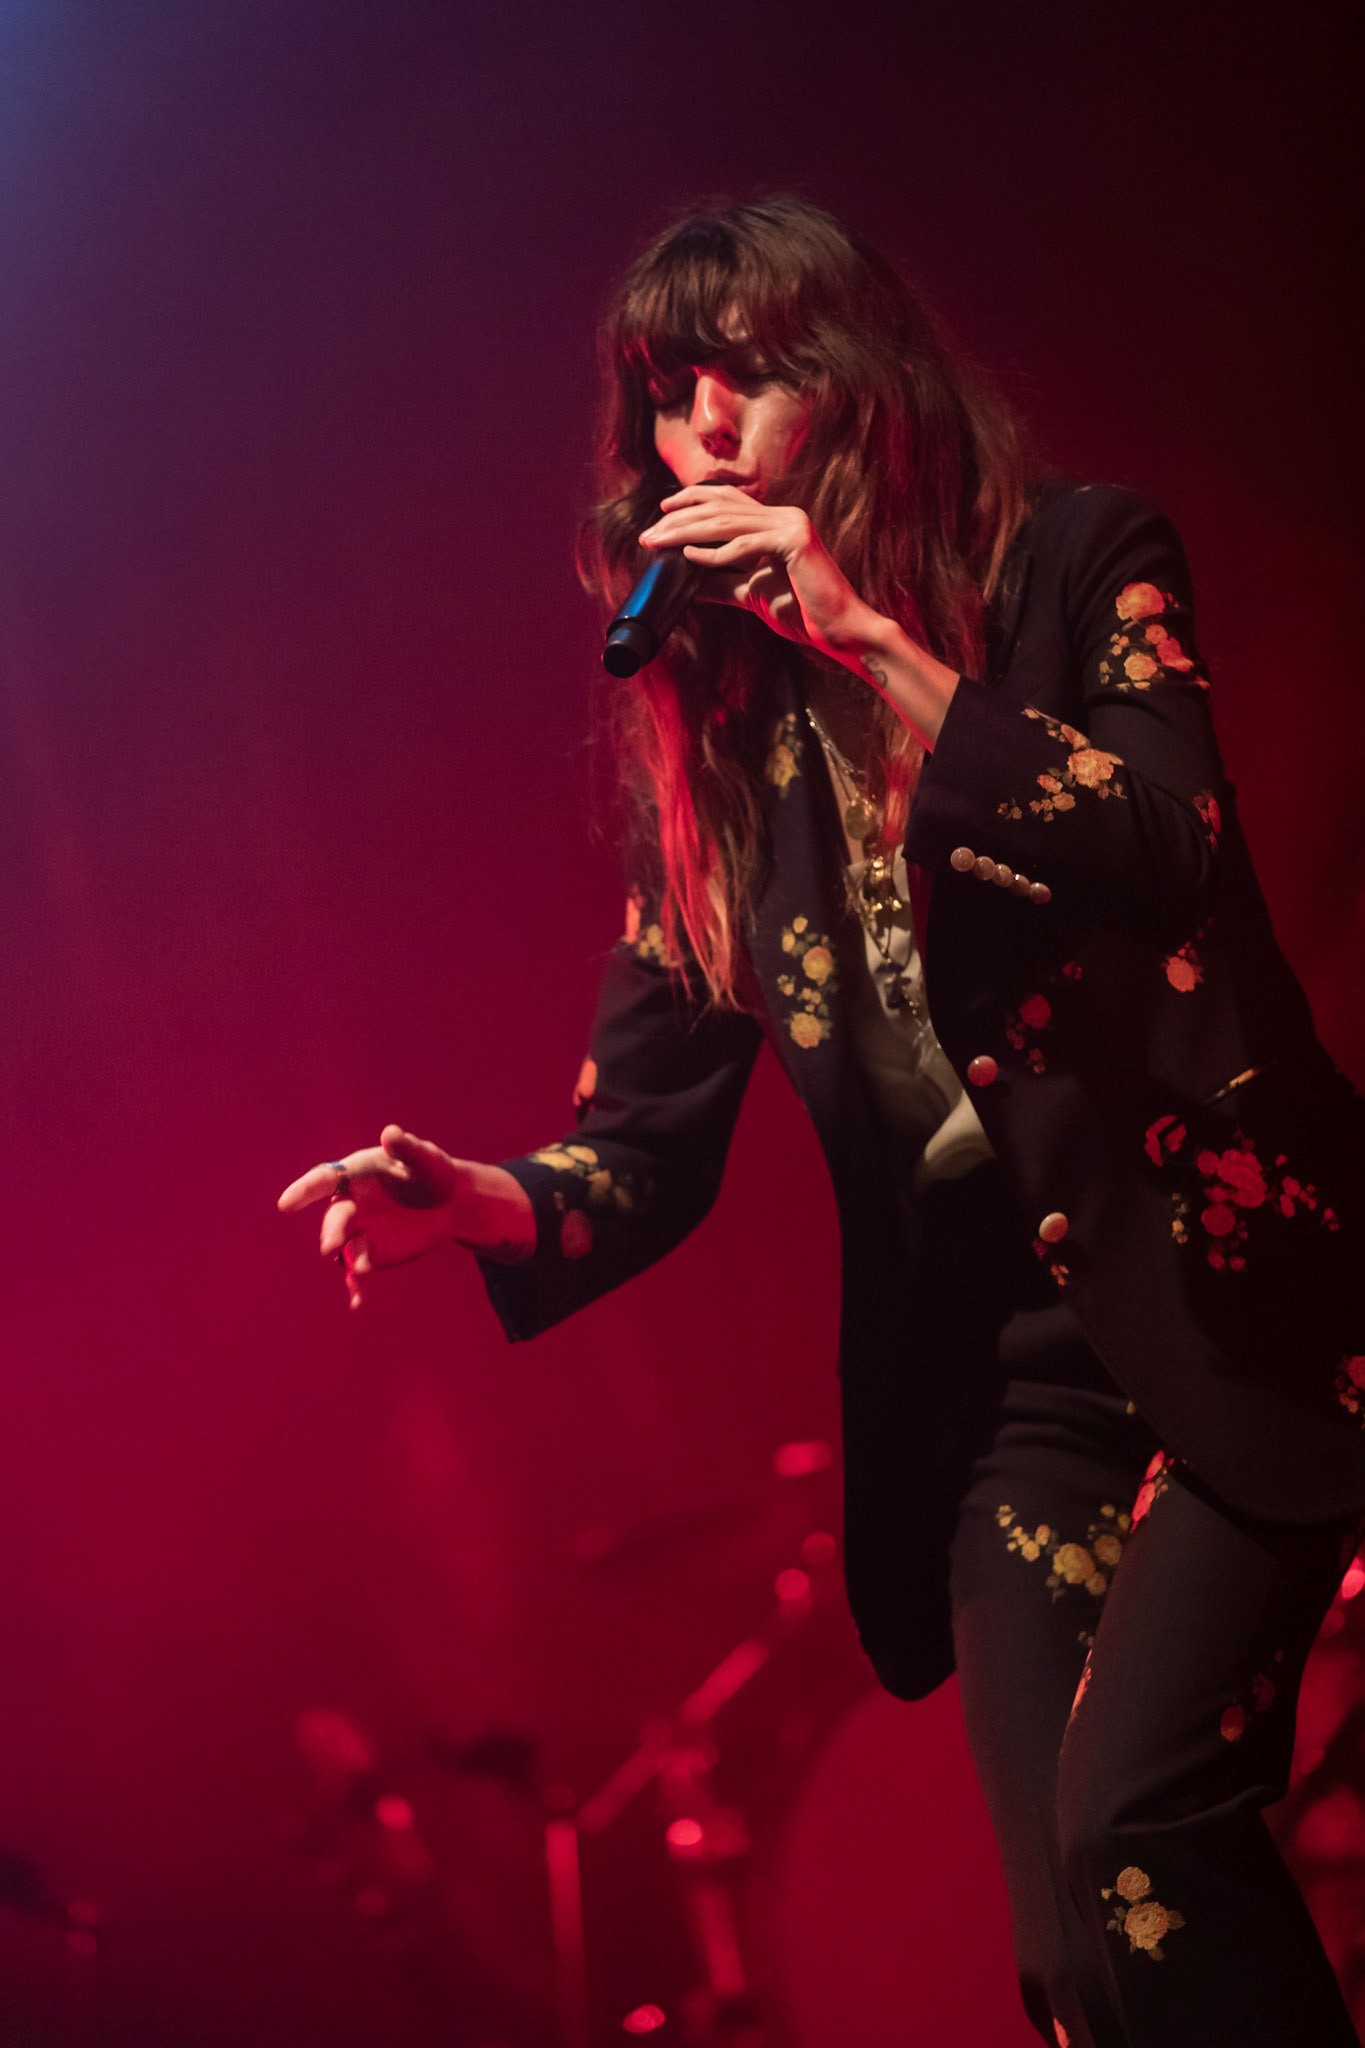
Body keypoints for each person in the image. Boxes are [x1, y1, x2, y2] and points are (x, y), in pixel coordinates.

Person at [278, 196, 1365, 2046]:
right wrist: (477, 1199)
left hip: (1230, 1295)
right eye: (660, 390)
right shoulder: (717, 759)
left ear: (856, 391)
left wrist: (871, 642)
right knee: (1066, 1952)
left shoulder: (1079, 564)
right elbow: (644, 1138)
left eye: (743, 374)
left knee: (1142, 1835)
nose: (694, 424)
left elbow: (1167, 842)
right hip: (1005, 1386)